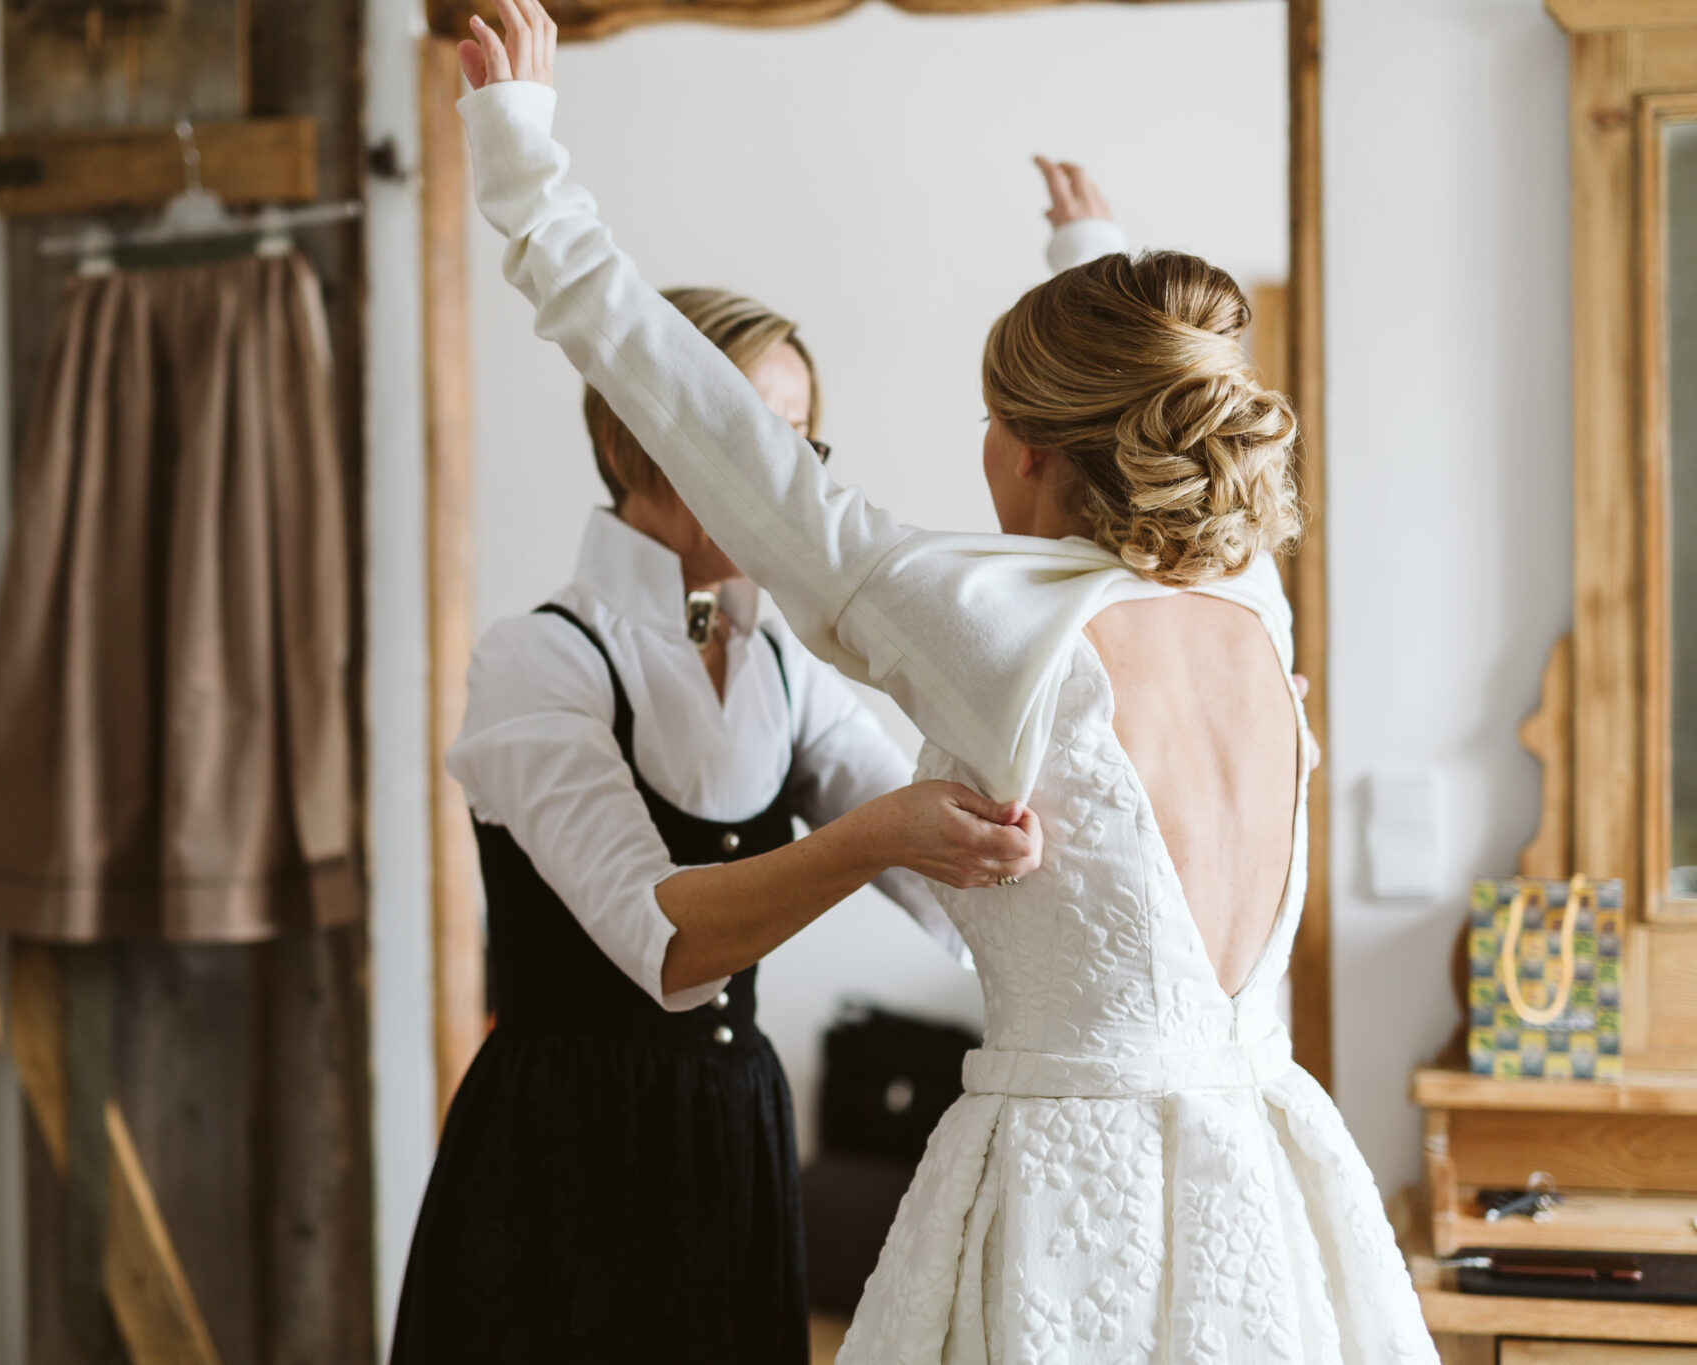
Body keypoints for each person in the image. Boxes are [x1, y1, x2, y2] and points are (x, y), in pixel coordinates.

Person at [452, 6, 1440, 1361]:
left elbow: (710, 425)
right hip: (1260, 1181)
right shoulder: (1255, 611)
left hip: (1068, 1205)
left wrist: (524, 173)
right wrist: (1095, 267)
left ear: (1035, 450)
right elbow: (1154, 412)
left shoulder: (991, 622)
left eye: (990, 421)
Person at [389, 278, 1042, 1363]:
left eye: (799, 446)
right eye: (747, 436)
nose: (782, 481)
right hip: (562, 1148)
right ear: (638, 433)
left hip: (733, 1132)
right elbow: (668, 940)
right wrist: (873, 835)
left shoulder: (785, 664)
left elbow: (948, 877)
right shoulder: (538, 659)